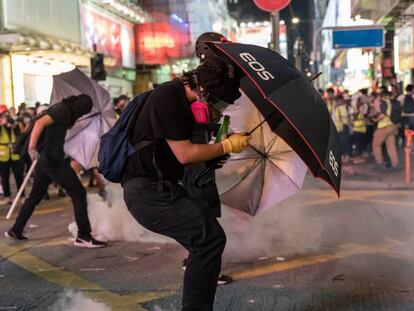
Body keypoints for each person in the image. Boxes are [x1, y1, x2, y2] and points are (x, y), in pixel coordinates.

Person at [122, 57, 250, 310]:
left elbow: (181, 156)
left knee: (206, 241)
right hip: (148, 192)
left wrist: (214, 156)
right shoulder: (168, 99)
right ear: (203, 88)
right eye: (217, 103)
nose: (217, 110)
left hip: (160, 186)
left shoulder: (179, 99)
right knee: (209, 240)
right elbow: (185, 154)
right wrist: (225, 145)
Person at [5, 95, 107, 248]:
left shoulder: (66, 111)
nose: (82, 114)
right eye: (83, 111)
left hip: (47, 159)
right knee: (79, 193)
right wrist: (32, 147)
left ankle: (16, 229)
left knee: (35, 196)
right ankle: (84, 236)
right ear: (80, 107)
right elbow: (39, 123)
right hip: (53, 160)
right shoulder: (63, 111)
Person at [0, 105, 24, 205]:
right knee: (4, 177)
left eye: (5, 114)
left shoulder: (14, 122)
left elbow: (22, 132)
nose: (4, 117)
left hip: (15, 153)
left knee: (19, 176)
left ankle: (22, 195)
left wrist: (14, 122)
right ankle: (7, 197)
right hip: (3, 154)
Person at [372, 90, 400, 171]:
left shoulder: (384, 103)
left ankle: (380, 163)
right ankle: (395, 163)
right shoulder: (392, 102)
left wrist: (375, 120)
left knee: (376, 145)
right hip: (392, 126)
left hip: (383, 127)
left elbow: (382, 116)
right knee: (391, 146)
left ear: (382, 96)